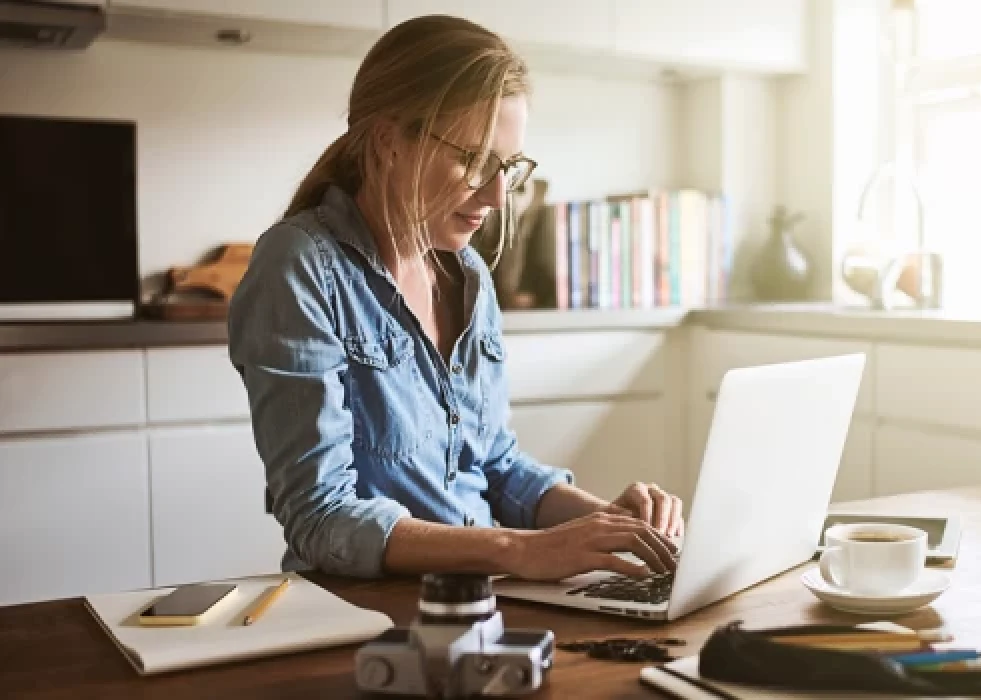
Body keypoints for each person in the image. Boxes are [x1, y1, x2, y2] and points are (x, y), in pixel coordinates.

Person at [227, 15, 683, 583]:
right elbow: (320, 516)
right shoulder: (301, 266)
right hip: (363, 610)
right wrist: (519, 550)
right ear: (389, 141)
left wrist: (611, 524)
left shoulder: (468, 275)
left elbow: (495, 466)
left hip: (483, 599)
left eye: (507, 168)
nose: (497, 196)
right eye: (474, 160)